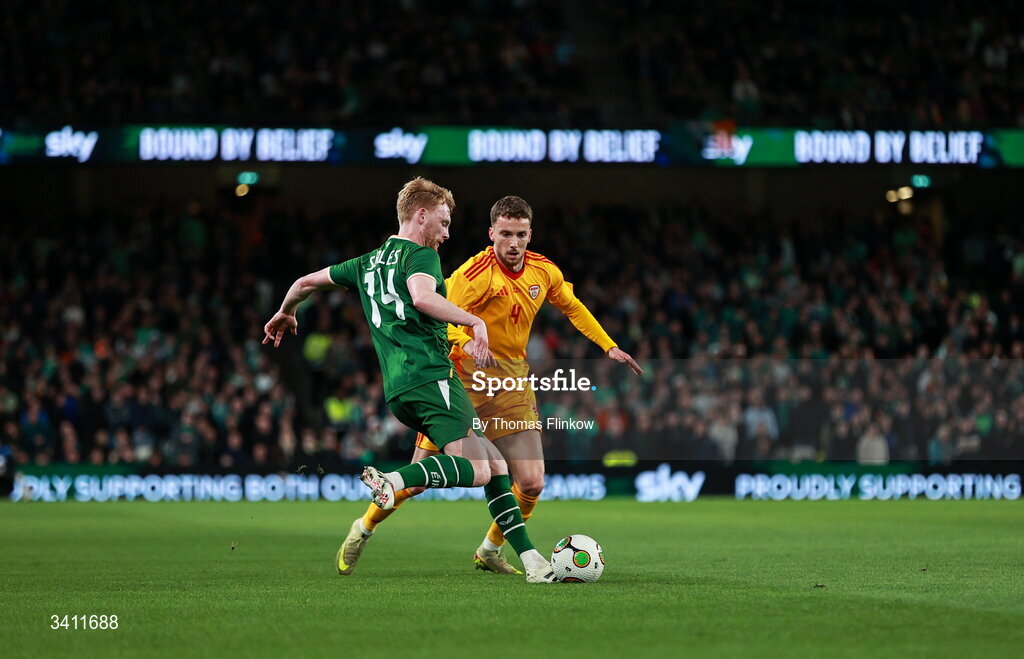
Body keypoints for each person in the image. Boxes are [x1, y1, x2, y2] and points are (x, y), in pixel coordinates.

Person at [262, 179, 557, 583]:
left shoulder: (365, 262)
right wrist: (473, 321)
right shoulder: (422, 256)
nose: (446, 233)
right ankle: (393, 479)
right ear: (421, 216)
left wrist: (286, 312)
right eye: (443, 221)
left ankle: (533, 562)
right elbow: (421, 297)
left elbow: (303, 284)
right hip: (431, 377)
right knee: (479, 470)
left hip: (398, 388)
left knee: (497, 464)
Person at [340, 195, 642, 575]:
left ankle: (489, 550)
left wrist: (609, 346)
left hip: (512, 385)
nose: (513, 243)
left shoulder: (543, 271)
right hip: (460, 383)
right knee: (417, 483)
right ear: (491, 233)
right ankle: (363, 528)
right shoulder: (473, 274)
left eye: (520, 234)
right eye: (505, 234)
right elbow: (432, 316)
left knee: (531, 482)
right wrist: (466, 341)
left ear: (530, 234)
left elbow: (572, 305)